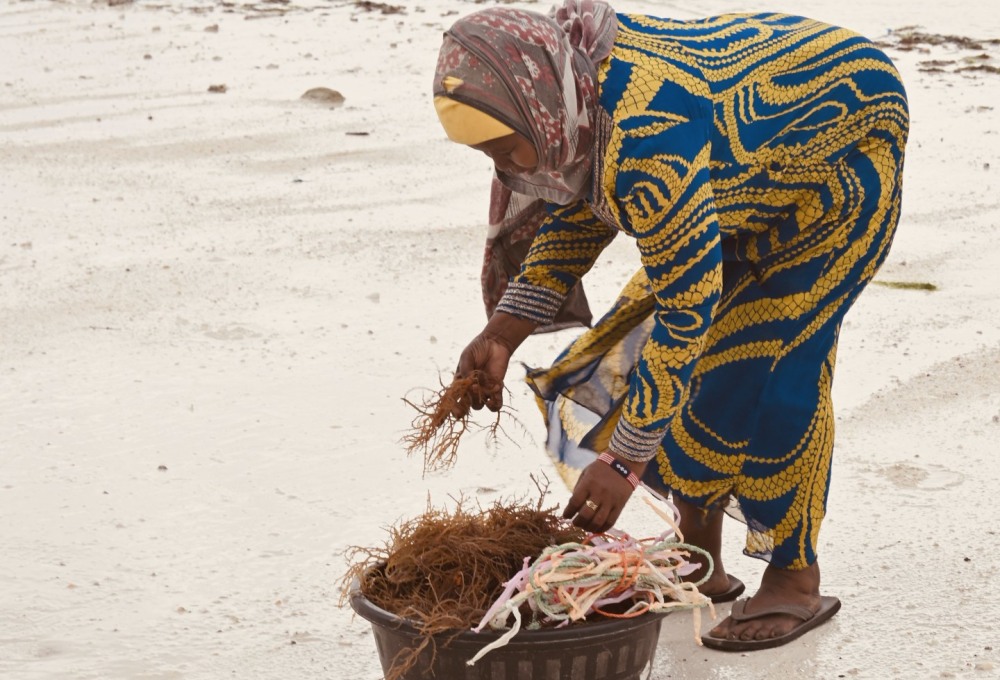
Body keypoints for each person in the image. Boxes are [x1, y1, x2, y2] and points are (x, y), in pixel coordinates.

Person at [432, 0, 908, 651]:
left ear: (538, 103)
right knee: (694, 365)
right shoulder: (574, 101)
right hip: (739, 173)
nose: (504, 167)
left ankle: (795, 577)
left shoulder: (647, 133)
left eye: (503, 143)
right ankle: (700, 561)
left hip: (839, 159)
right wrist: (501, 333)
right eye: (484, 151)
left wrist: (624, 462)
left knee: (771, 365)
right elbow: (581, 211)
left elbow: (686, 315)